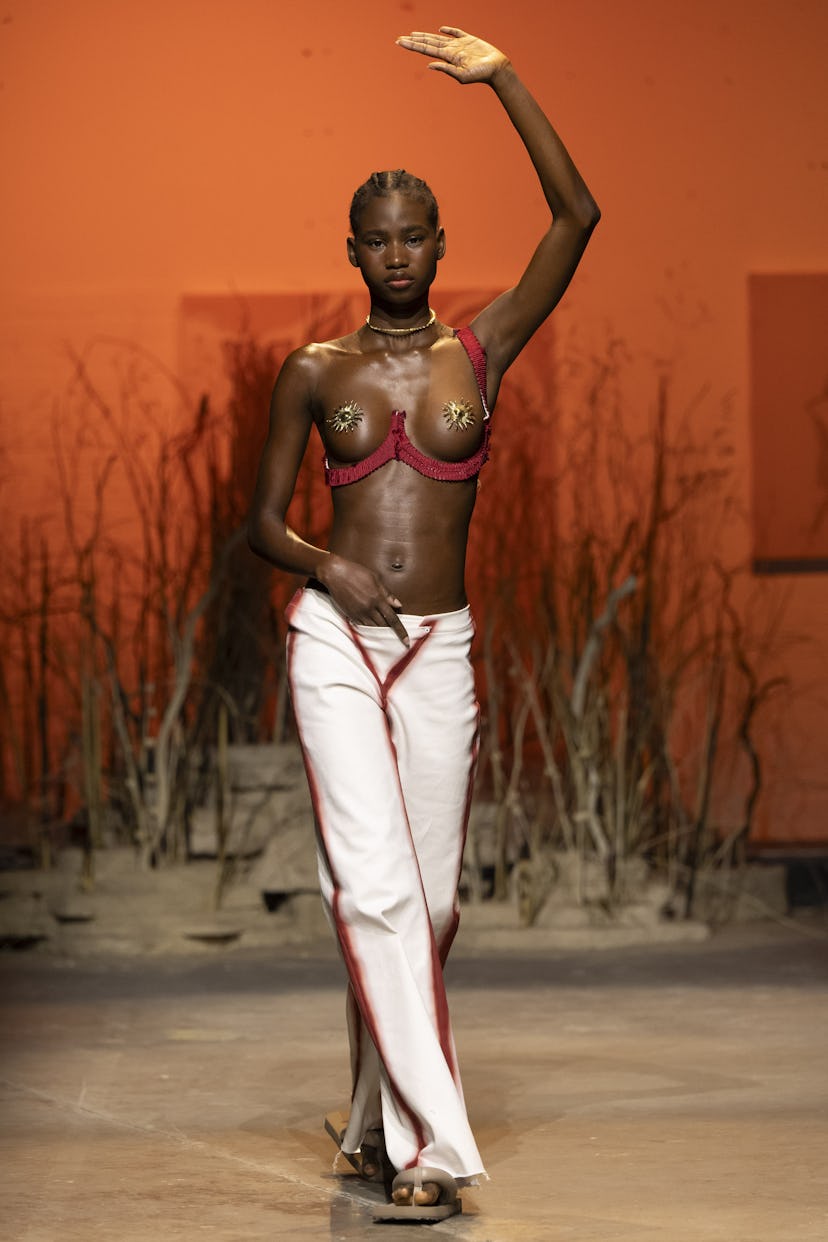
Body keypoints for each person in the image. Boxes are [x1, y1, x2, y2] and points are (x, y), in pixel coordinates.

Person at [247, 25, 599, 1223]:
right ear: (352, 249)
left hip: (438, 645)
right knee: (376, 890)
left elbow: (579, 217)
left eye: (416, 235)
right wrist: (327, 569)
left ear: (440, 244)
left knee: (432, 906)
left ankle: (367, 1113)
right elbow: (260, 525)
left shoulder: (481, 350)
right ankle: (432, 1150)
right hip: (336, 643)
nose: (397, 253)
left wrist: (505, 79)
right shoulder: (314, 370)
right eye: (377, 238)